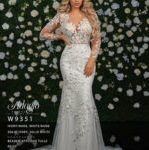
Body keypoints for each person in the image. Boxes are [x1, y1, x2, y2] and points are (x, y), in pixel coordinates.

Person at [30, 0, 123, 150]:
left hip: (86, 59)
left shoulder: (91, 14)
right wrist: (59, 37)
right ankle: (68, 144)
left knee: (85, 97)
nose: (76, 0)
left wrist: (92, 60)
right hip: (68, 61)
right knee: (70, 99)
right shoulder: (61, 15)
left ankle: (86, 145)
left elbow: (97, 39)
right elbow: (43, 33)